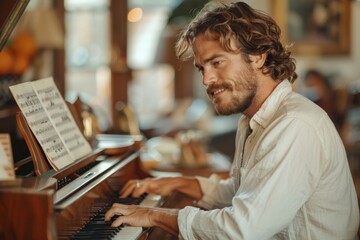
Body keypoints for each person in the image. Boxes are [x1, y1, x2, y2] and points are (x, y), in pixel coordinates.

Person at [104, 2, 359, 239]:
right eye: (202, 68)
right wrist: (178, 183)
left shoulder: (294, 125)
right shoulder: (252, 120)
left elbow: (242, 229)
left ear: (258, 55)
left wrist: (153, 214)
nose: (207, 79)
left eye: (217, 62)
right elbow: (246, 193)